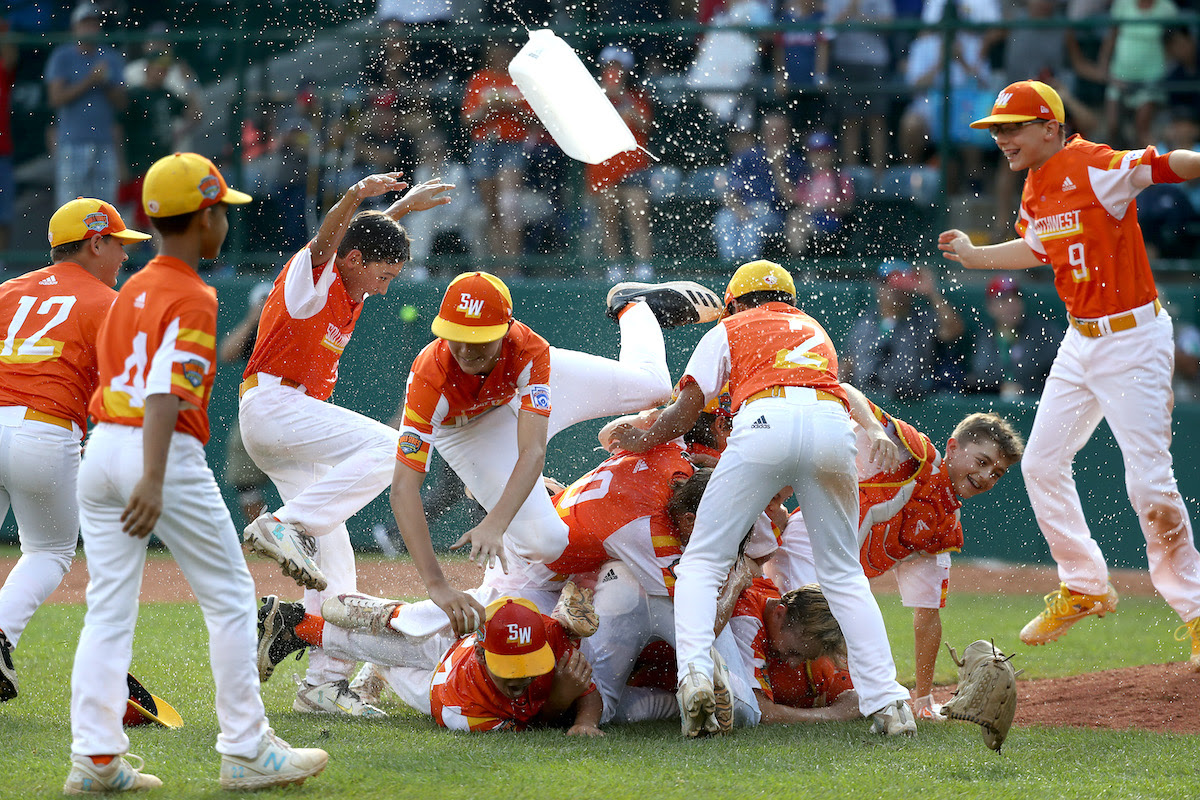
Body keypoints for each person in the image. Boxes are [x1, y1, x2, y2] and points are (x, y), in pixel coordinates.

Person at [66, 152, 328, 793]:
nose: (224, 224)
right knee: (234, 600)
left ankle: (95, 759)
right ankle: (246, 751)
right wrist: (153, 477)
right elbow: (165, 391)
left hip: (102, 449)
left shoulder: (129, 289)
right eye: (221, 212)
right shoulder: (192, 293)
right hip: (159, 453)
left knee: (107, 609)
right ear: (205, 217)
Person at [938, 79, 1200, 669]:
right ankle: (1083, 583)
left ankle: (1197, 612)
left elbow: (1160, 166)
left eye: (1013, 127)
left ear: (1051, 128)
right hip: (1082, 340)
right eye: (997, 130)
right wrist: (979, 257)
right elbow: (1039, 246)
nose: (1002, 138)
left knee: (1148, 485)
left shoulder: (1093, 165)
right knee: (1041, 461)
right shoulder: (1035, 186)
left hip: (1133, 339)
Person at [608, 259, 916, 738]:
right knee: (843, 575)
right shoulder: (814, 330)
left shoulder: (729, 329)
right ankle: (890, 702)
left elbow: (686, 409)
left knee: (704, 561)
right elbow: (837, 392)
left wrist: (643, 439)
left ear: (732, 303)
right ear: (790, 300)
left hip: (764, 421)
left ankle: (694, 677)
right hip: (832, 431)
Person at [388, 275, 721, 637]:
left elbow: (532, 451)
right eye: (457, 335)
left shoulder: (528, 348)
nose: (466, 349)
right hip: (468, 429)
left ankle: (635, 306)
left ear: (506, 328)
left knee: (652, 387)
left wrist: (496, 522)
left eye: (479, 339)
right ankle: (514, 512)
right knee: (545, 543)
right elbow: (403, 490)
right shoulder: (430, 377)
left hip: (517, 392)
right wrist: (437, 585)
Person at [238, 172, 453, 717]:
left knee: (339, 577)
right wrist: (357, 195)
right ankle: (286, 524)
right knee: (396, 448)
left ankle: (321, 686)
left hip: (289, 430)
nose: (387, 286)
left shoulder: (351, 277)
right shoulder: (309, 280)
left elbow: (365, 240)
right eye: (384, 274)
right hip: (275, 408)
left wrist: (400, 208)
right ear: (354, 262)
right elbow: (330, 242)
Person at [768, 388, 1025, 719]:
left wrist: (923, 699)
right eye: (982, 461)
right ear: (953, 447)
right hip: (806, 547)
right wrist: (874, 429)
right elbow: (844, 391)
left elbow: (927, 617)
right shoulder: (915, 455)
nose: (987, 476)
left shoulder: (944, 525)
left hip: (835, 586)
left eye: (997, 473)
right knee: (817, 647)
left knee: (867, 685)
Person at [0, 199, 150, 703]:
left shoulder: (7, 291)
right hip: (44, 429)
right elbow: (124, 395)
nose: (124, 257)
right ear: (96, 242)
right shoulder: (110, 302)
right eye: (119, 245)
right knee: (49, 551)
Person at [258, 594, 603, 735]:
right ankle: (303, 624)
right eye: (510, 669)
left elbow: (586, 689)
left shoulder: (547, 635)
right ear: (484, 653)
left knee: (386, 656)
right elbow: (536, 723)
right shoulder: (464, 708)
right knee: (386, 649)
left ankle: (301, 629)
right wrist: (560, 700)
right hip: (446, 678)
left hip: (444, 673)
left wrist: (586, 718)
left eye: (527, 665)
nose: (522, 678)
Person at [841, 260, 966, 400]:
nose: (894, 289)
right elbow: (848, 362)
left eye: (900, 284)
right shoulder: (865, 321)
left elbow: (954, 330)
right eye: (886, 283)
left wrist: (931, 293)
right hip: (868, 399)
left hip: (909, 401)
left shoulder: (922, 320)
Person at [44, 3, 127, 207]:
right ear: (75, 28)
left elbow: (122, 104)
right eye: (85, 24)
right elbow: (55, 98)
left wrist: (106, 82)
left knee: (105, 209)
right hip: (72, 143)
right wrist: (90, 80)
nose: (90, 29)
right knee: (70, 208)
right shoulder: (62, 56)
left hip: (104, 142)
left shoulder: (110, 57)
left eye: (94, 24)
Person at [586, 45, 655, 282]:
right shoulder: (592, 96)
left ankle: (643, 266)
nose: (613, 73)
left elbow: (645, 125)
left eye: (618, 68)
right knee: (609, 216)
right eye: (609, 68)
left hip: (633, 164)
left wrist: (623, 99)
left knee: (638, 216)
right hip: (603, 165)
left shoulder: (637, 97)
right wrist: (605, 96)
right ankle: (614, 266)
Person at [963, 275, 1063, 398]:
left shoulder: (1043, 332)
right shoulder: (984, 335)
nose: (1012, 305)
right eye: (1004, 301)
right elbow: (976, 377)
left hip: (1035, 402)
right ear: (990, 307)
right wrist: (999, 387)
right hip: (992, 406)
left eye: (1015, 299)